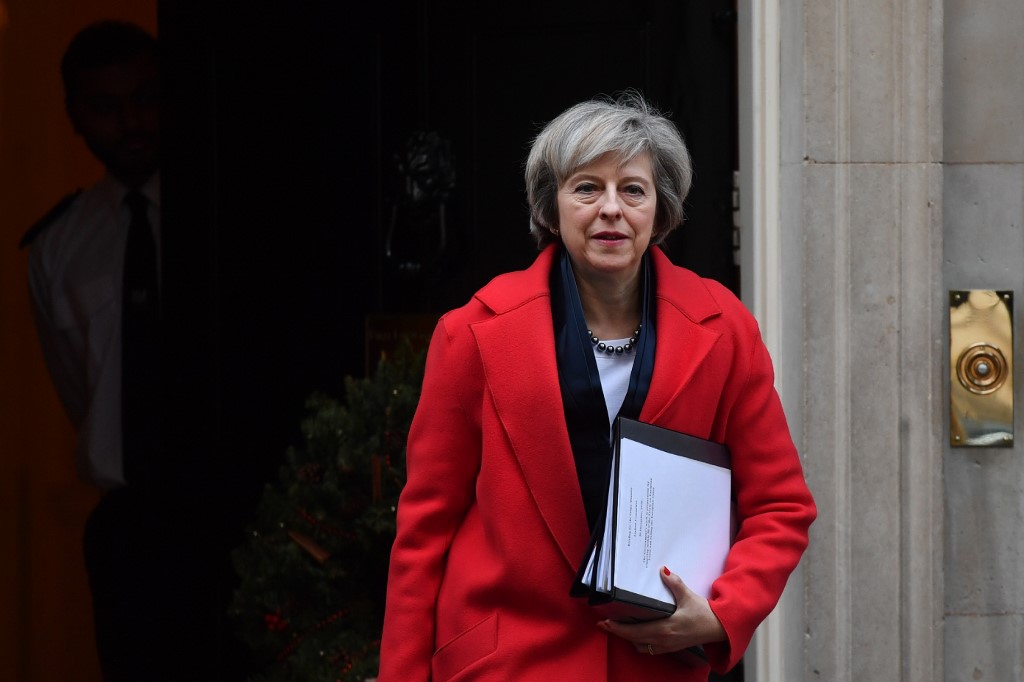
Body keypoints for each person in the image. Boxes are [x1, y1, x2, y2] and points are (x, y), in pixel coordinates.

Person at [377, 92, 817, 681]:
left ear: (660, 213)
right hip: (505, 666)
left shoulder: (725, 329)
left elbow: (781, 505)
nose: (611, 208)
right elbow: (424, 529)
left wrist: (720, 613)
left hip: (654, 667)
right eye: (586, 188)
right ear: (550, 209)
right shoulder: (472, 334)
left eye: (633, 190)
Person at [24, 20, 230, 681]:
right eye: (107, 107)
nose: (133, 122)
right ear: (76, 115)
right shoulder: (59, 246)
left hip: (229, 502)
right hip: (130, 525)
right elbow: (77, 388)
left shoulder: (222, 210)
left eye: (146, 98)